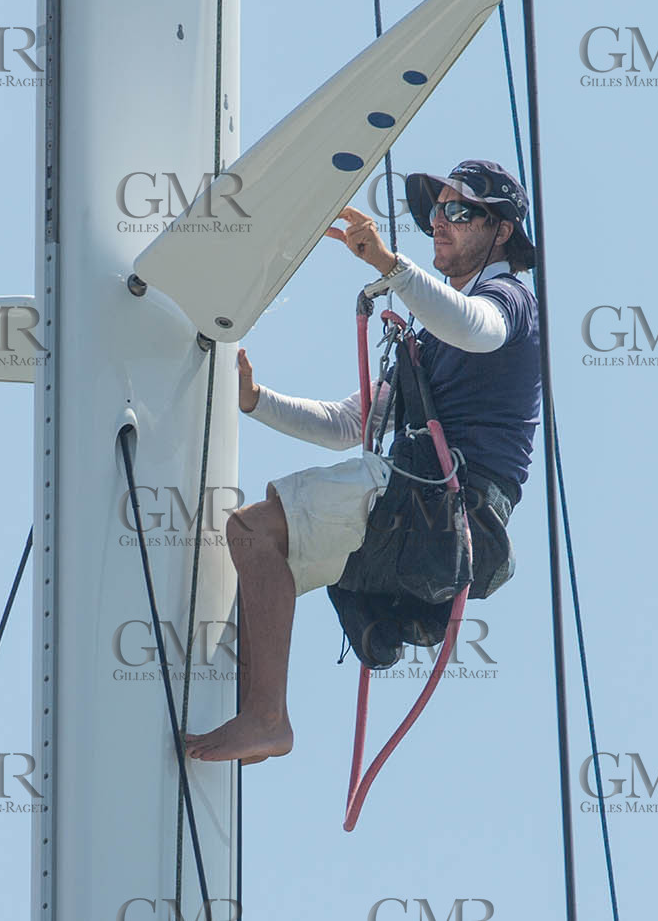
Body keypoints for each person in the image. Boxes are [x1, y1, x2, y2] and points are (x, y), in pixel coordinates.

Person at [184, 159, 541, 765]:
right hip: (422, 506)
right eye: (434, 211)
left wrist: (389, 266)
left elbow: (480, 331)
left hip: (446, 500)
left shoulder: (507, 299)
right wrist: (255, 401)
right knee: (263, 553)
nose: (439, 223)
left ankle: (266, 717)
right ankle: (254, 709)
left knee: (253, 529)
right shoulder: (431, 333)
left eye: (459, 211)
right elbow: (353, 423)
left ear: (500, 229)